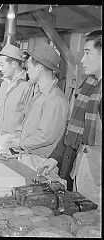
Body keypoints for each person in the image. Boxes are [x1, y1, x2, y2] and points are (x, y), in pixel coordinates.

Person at [38, 30, 102, 200]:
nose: (82, 60)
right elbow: (73, 129)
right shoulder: (89, 86)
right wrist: (55, 158)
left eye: (88, 53)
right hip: (81, 165)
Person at [8, 41, 69, 159]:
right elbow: (28, 121)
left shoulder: (55, 99)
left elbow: (45, 136)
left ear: (39, 68)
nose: (27, 72)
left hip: (42, 161)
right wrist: (19, 133)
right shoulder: (39, 94)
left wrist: (21, 143)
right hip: (30, 155)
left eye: (29, 67)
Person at [0, 43, 33, 151]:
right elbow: (1, 105)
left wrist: (19, 137)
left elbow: (30, 116)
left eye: (2, 65)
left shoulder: (28, 85)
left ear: (13, 64)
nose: (0, 68)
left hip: (13, 138)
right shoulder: (4, 83)